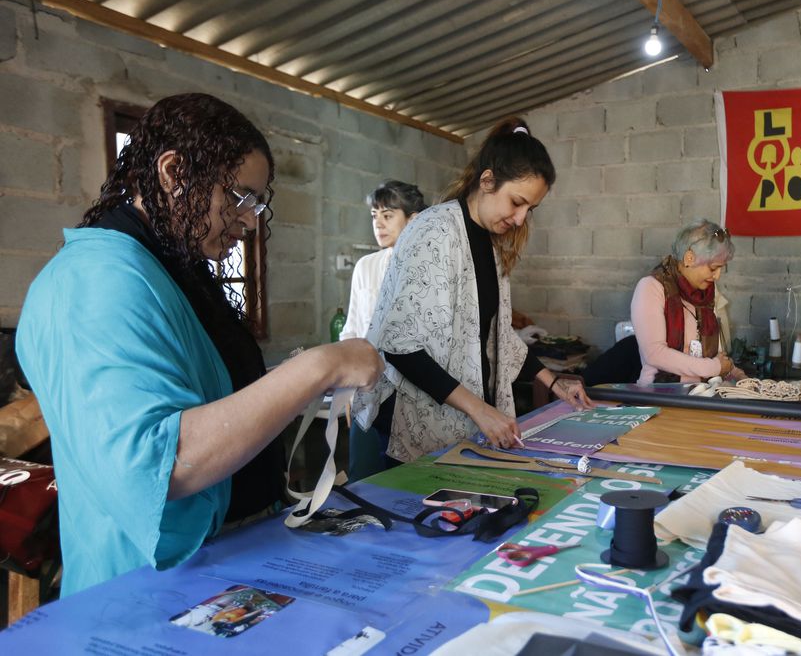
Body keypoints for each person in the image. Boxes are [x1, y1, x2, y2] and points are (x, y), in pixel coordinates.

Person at [15, 93, 383, 596]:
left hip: (225, 560)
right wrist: (320, 367)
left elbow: (207, 392)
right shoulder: (95, 281)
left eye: (257, 203)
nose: (250, 220)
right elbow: (158, 462)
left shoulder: (174, 267)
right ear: (173, 172)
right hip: (145, 584)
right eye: (238, 197)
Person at [354, 117, 592, 462]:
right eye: (517, 202)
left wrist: (553, 382)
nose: (522, 218)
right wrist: (480, 410)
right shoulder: (437, 231)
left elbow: (498, 338)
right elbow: (401, 347)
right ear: (487, 180)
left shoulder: (489, 244)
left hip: (459, 418)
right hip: (404, 423)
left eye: (531, 208)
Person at [339, 180, 426, 479]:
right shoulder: (366, 267)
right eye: (374, 216)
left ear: (413, 219)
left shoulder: (430, 270)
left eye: (388, 215)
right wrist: (350, 391)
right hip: (369, 392)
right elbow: (352, 332)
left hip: (417, 397)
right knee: (362, 479)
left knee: (410, 483)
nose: (378, 224)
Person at [630, 219, 742, 385]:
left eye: (721, 269)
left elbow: (717, 356)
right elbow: (655, 354)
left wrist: (739, 376)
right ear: (689, 258)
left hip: (701, 395)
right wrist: (713, 368)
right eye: (713, 268)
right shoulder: (651, 287)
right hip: (660, 395)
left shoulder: (706, 294)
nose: (717, 276)